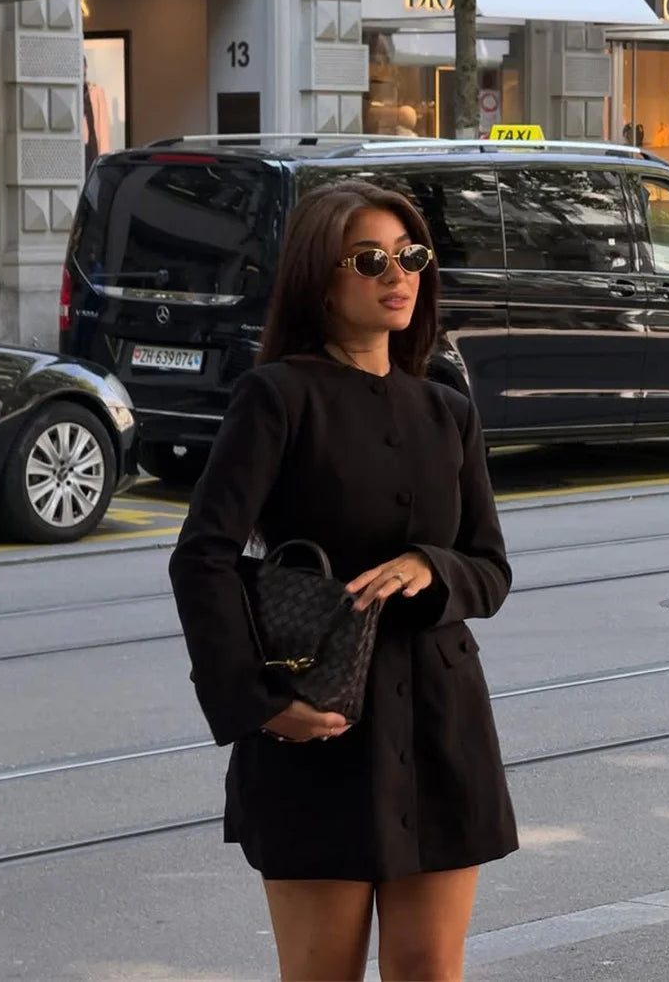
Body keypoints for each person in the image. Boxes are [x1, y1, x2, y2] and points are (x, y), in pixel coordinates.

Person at [169, 180, 518, 982]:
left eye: (412, 257)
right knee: (323, 972)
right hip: (320, 723)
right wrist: (256, 706)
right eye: (369, 259)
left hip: (440, 725)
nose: (398, 275)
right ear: (320, 278)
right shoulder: (278, 398)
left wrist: (434, 565)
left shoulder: (447, 410)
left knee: (430, 969)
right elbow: (203, 557)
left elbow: (492, 569)